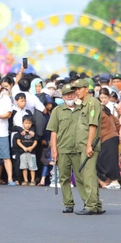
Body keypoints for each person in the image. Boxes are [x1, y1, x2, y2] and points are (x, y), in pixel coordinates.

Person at [47, 83, 83, 213]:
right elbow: (53, 131)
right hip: (63, 148)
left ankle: (87, 202)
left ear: (75, 95)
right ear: (62, 97)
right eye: (67, 94)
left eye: (71, 94)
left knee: (81, 177)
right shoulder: (57, 111)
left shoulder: (81, 109)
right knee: (64, 178)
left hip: (79, 149)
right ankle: (68, 203)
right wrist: (54, 149)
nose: (69, 96)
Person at [72, 78, 103, 214]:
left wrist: (89, 145)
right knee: (88, 175)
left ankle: (91, 206)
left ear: (86, 88)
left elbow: (93, 125)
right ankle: (96, 205)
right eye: (75, 89)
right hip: (83, 145)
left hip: (88, 145)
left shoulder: (92, 103)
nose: (77, 92)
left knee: (88, 176)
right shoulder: (84, 104)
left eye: (79, 89)